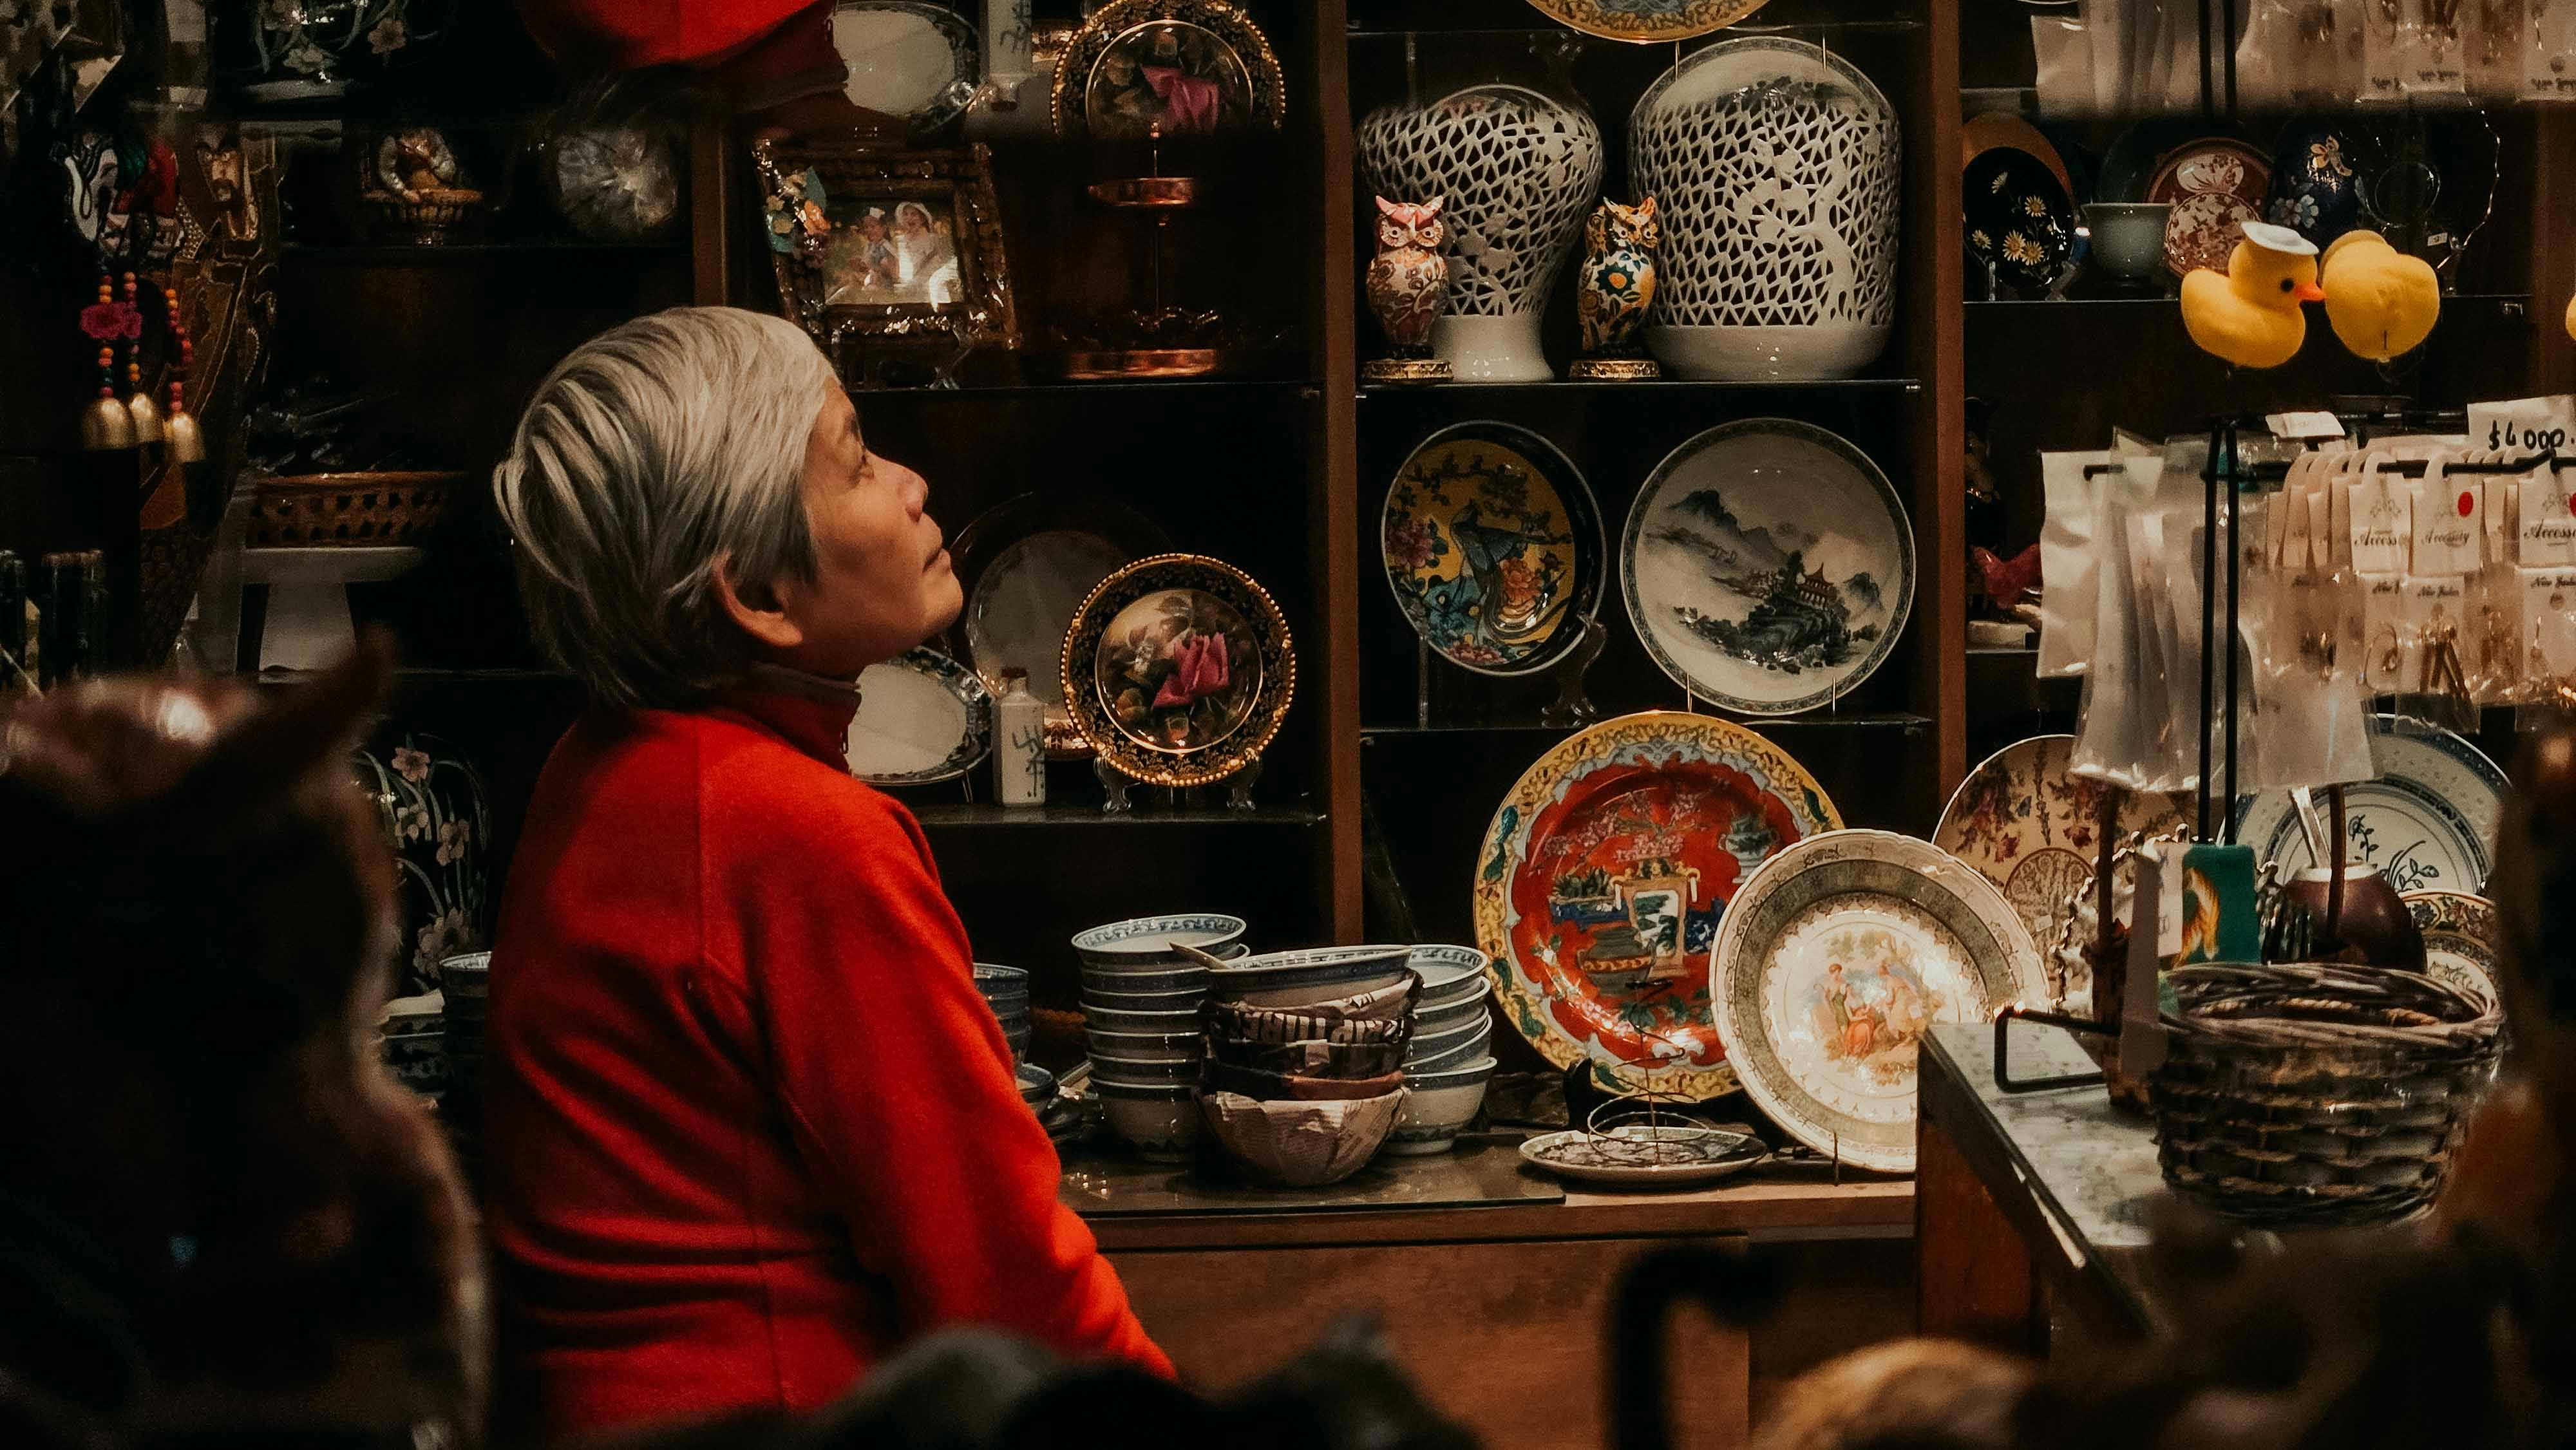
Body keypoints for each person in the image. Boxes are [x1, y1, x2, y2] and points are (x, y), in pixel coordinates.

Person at [482, 306, 1170, 1442]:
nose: (909, 484)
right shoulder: (800, 833)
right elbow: (1003, 1284)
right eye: (856, 462)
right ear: (755, 593)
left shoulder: (599, 762)